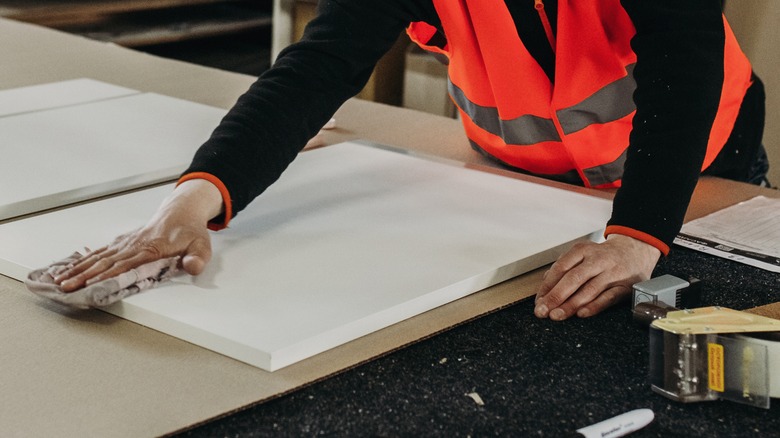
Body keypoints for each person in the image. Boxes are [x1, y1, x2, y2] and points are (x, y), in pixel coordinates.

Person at [54, 0, 767, 321]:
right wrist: (190, 202)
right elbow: (319, 67)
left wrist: (639, 235)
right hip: (518, 181)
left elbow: (685, 59)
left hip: (697, 173)